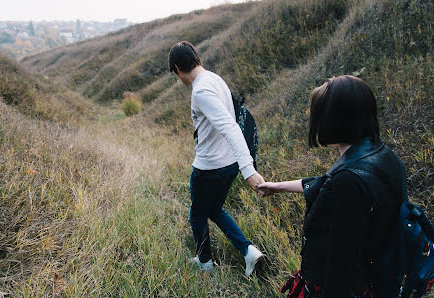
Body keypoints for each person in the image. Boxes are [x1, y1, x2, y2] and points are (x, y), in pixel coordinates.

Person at [257, 75, 406, 297]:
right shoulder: (383, 156)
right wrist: (276, 186)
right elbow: (325, 183)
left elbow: (342, 264)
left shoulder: (349, 181)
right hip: (380, 278)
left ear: (333, 120)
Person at [168, 41, 266, 276]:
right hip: (228, 164)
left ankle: (205, 264)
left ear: (178, 69)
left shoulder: (200, 91)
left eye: (176, 74)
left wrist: (249, 170)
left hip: (210, 167)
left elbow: (230, 127)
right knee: (214, 209)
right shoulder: (214, 78)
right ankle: (249, 252)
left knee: (197, 215)